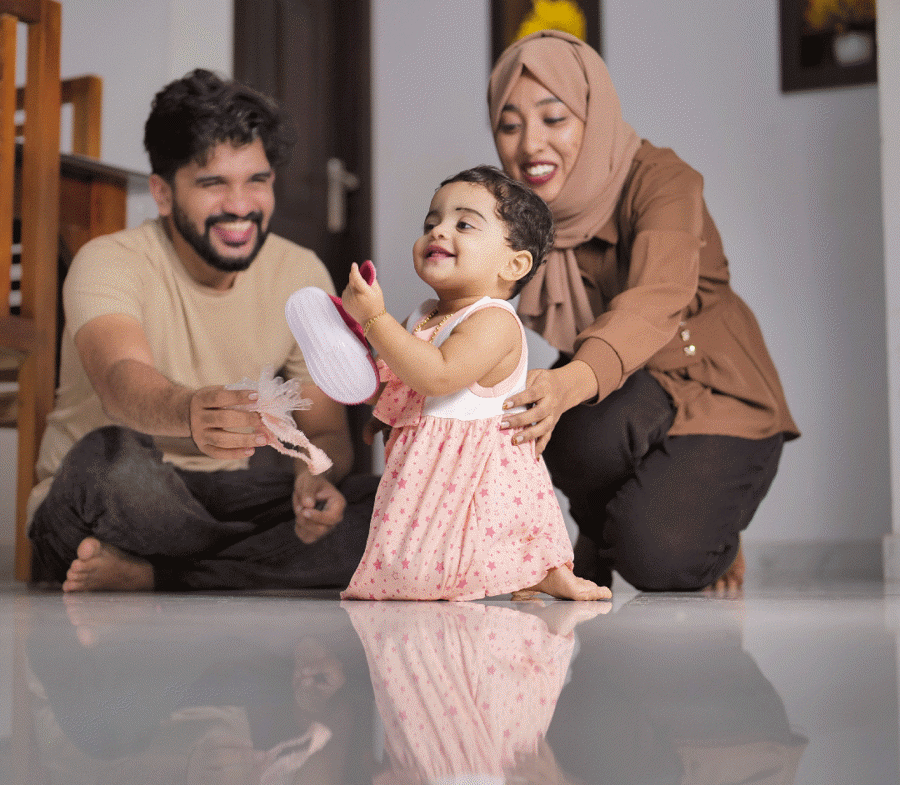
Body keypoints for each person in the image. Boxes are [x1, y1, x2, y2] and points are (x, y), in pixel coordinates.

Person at [27, 68, 376, 592]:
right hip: (124, 495)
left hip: (235, 497)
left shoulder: (299, 274)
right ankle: (232, 571)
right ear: (163, 194)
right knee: (109, 464)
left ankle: (157, 575)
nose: (239, 206)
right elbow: (121, 378)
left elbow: (326, 434)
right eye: (213, 183)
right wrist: (187, 412)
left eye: (256, 181)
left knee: (399, 506)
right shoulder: (109, 260)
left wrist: (314, 478)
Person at [488, 30, 799, 593]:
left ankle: (710, 533)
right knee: (564, 436)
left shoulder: (663, 180)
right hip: (631, 387)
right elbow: (475, 292)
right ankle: (605, 532)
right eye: (510, 125)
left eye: (553, 118)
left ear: (592, 114)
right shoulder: (525, 213)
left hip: (717, 388)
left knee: (658, 561)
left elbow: (657, 296)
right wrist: (406, 364)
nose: (530, 145)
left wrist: (568, 384)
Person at [336, 165, 610, 601]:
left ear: (513, 264)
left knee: (476, 535)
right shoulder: (424, 313)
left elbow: (439, 374)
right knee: (416, 552)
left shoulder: (494, 321)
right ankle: (528, 572)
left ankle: (540, 570)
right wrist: (387, 413)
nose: (439, 232)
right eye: (431, 223)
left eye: (463, 224)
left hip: (474, 463)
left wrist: (373, 319)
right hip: (427, 460)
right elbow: (411, 381)